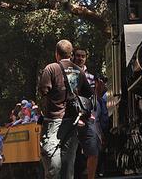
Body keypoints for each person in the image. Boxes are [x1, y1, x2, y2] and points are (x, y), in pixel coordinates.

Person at [38, 39, 93, 179]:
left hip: (53, 120)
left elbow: (43, 90)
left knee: (52, 160)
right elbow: (88, 93)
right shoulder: (78, 71)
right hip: (73, 121)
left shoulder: (51, 68)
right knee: (68, 161)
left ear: (57, 54)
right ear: (71, 54)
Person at [72, 47, 100, 179]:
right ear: (73, 56)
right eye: (78, 56)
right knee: (72, 153)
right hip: (71, 118)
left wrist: (93, 115)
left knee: (92, 150)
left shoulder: (91, 77)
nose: (80, 58)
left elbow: (94, 97)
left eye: (83, 56)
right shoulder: (68, 74)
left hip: (88, 118)